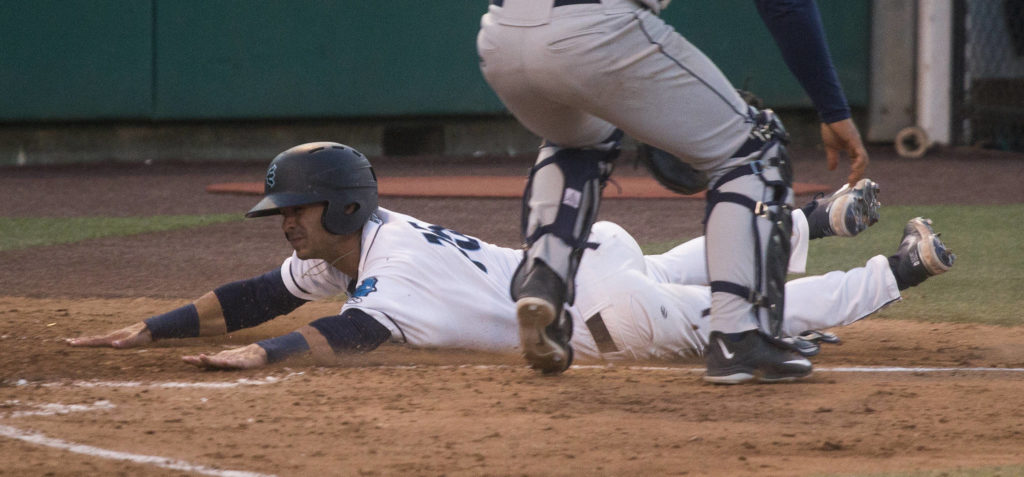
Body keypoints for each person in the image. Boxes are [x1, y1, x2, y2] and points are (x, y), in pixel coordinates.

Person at [67, 143, 954, 381]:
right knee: (697, 261)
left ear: (335, 207)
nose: (281, 224)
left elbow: (350, 334)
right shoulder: (365, 242)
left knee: (739, 311)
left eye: (291, 209)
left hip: (602, 318)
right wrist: (149, 327)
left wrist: (261, 355)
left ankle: (899, 270)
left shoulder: (389, 274)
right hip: (588, 263)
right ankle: (818, 219)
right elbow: (260, 293)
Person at [476, 0, 870, 381]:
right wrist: (832, 108)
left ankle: (544, 277)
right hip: (596, 28)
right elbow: (784, 5)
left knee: (579, 139)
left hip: (501, 36)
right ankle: (740, 336)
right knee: (755, 148)